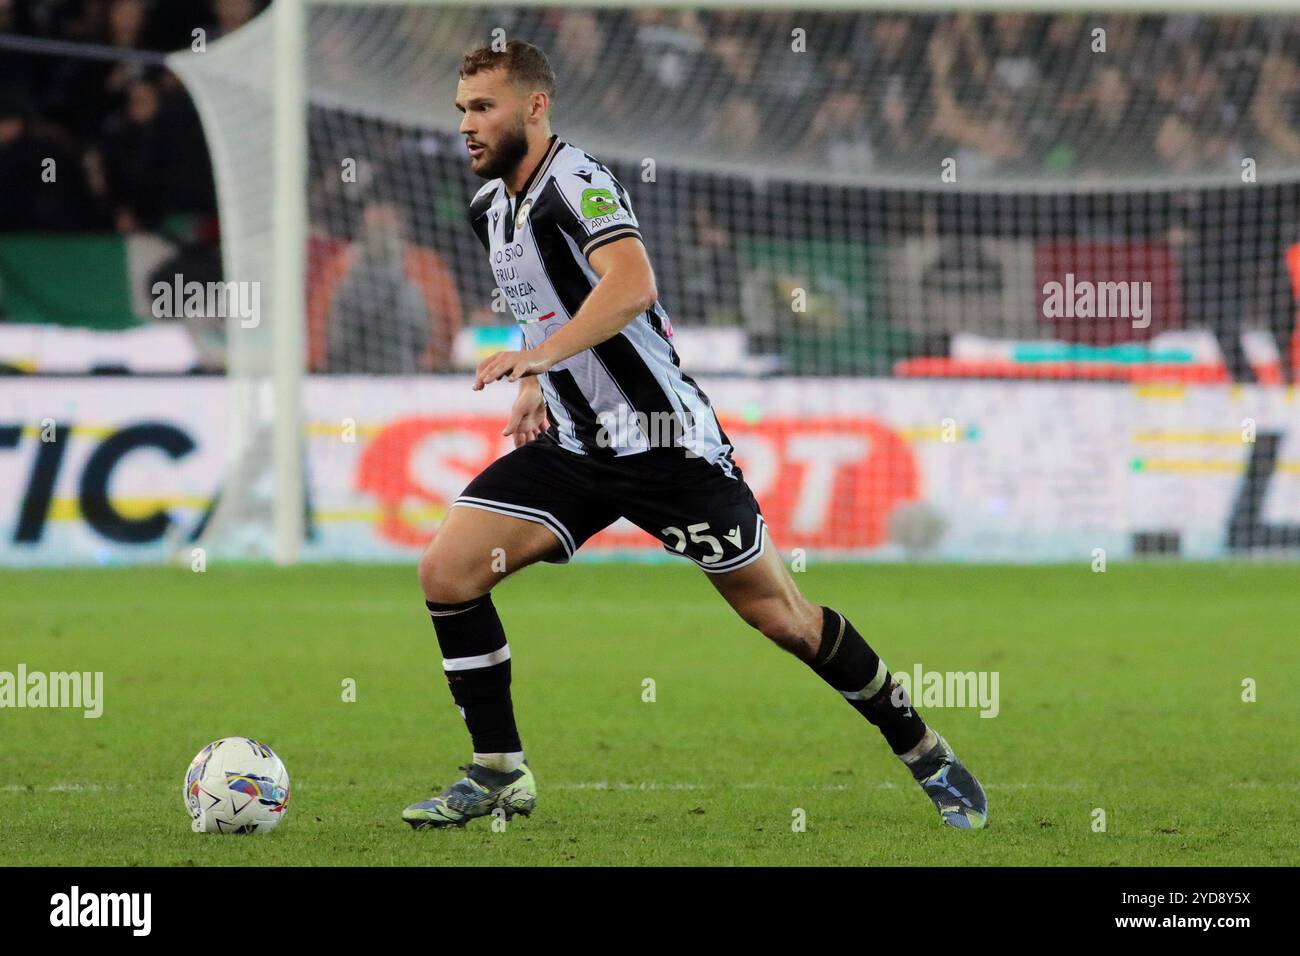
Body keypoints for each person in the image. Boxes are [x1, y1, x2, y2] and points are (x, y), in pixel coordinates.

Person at [402, 40, 988, 831]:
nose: (466, 126)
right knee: (447, 571)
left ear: (535, 106)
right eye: (461, 110)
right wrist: (538, 379)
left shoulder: (578, 182)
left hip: (665, 446)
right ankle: (499, 770)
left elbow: (632, 283)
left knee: (783, 619)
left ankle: (925, 752)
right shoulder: (489, 210)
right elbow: (542, 302)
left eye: (483, 108)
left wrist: (539, 354)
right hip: (577, 448)